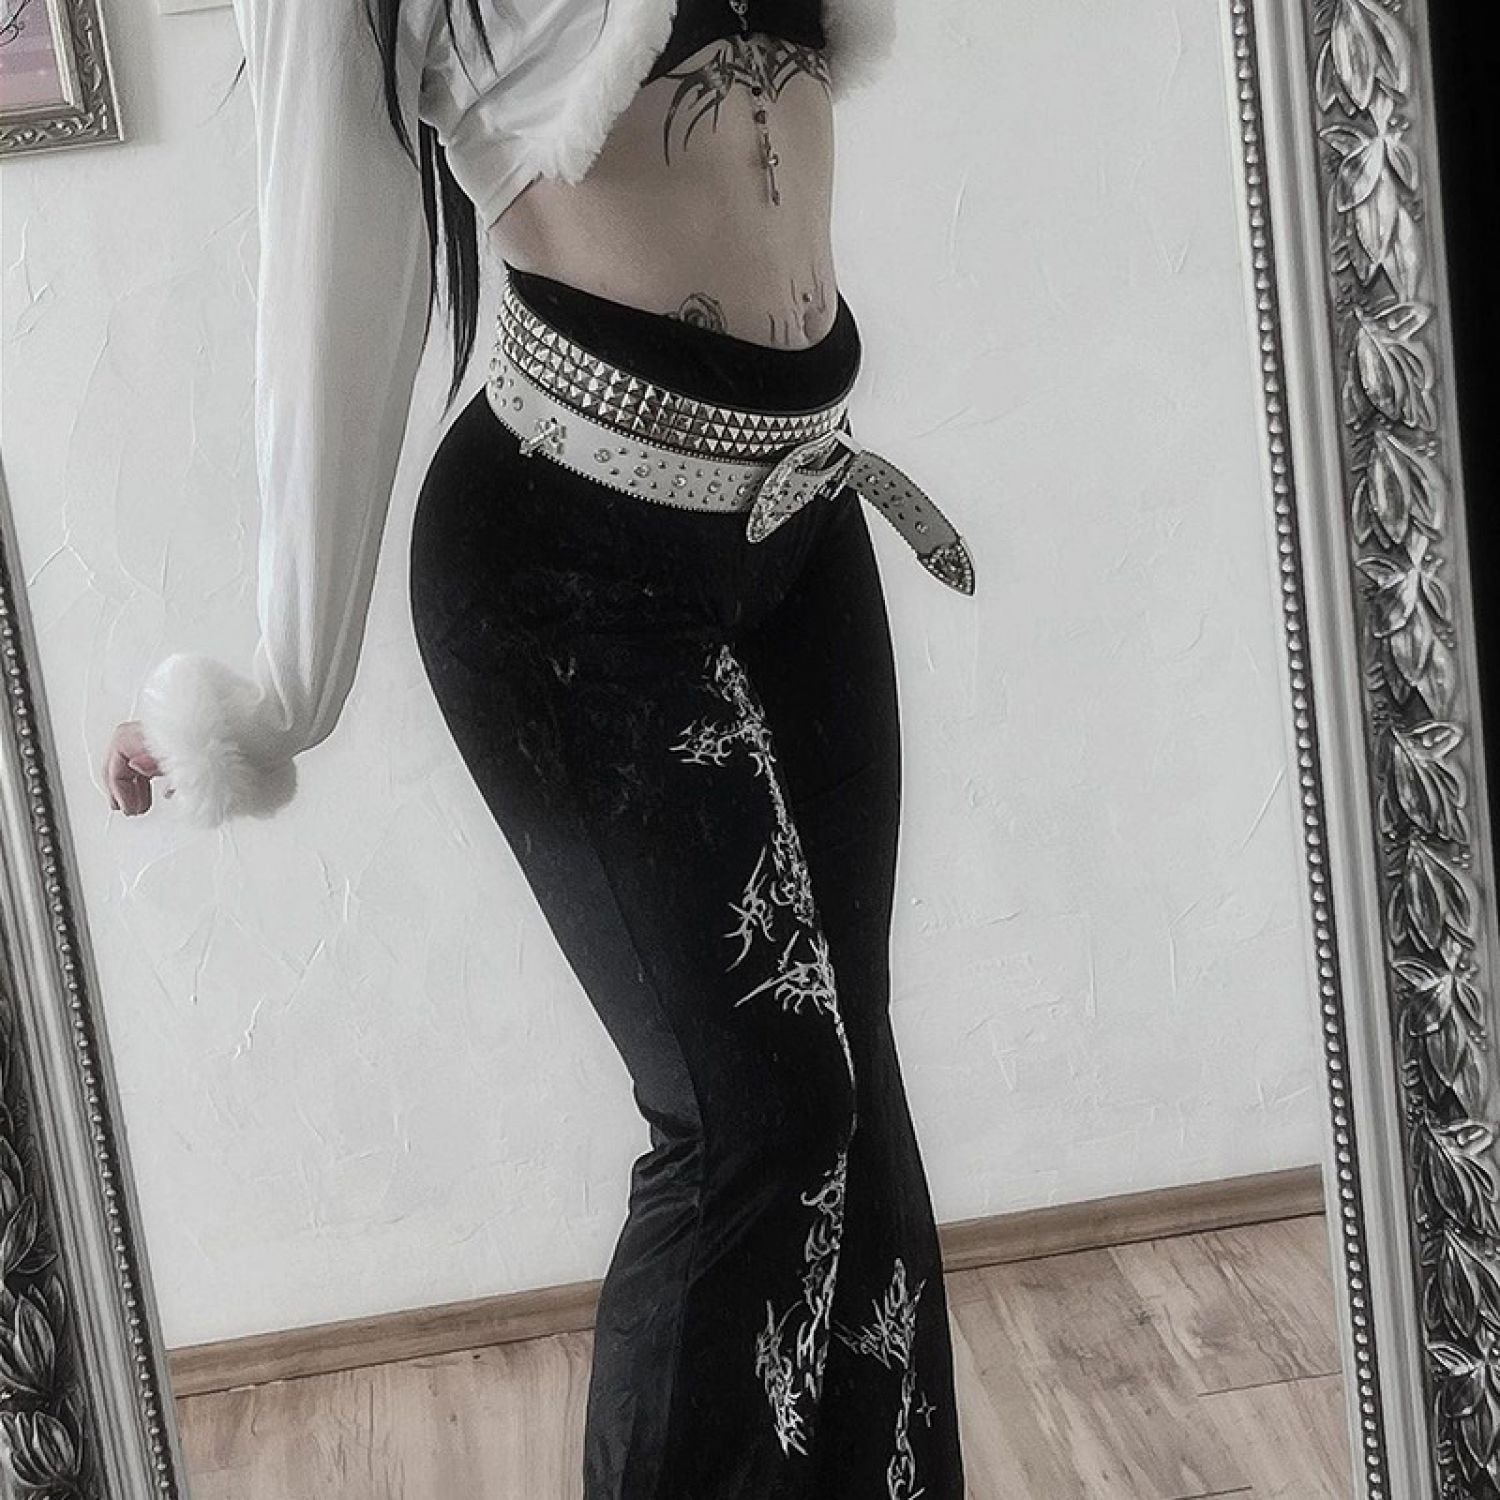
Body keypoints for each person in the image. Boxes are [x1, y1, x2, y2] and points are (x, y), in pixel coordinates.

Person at [101, 0, 975, 1493]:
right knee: (755, 1116)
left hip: (802, 523)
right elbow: (333, 281)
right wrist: (277, 697)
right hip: (565, 564)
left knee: (849, 1084)